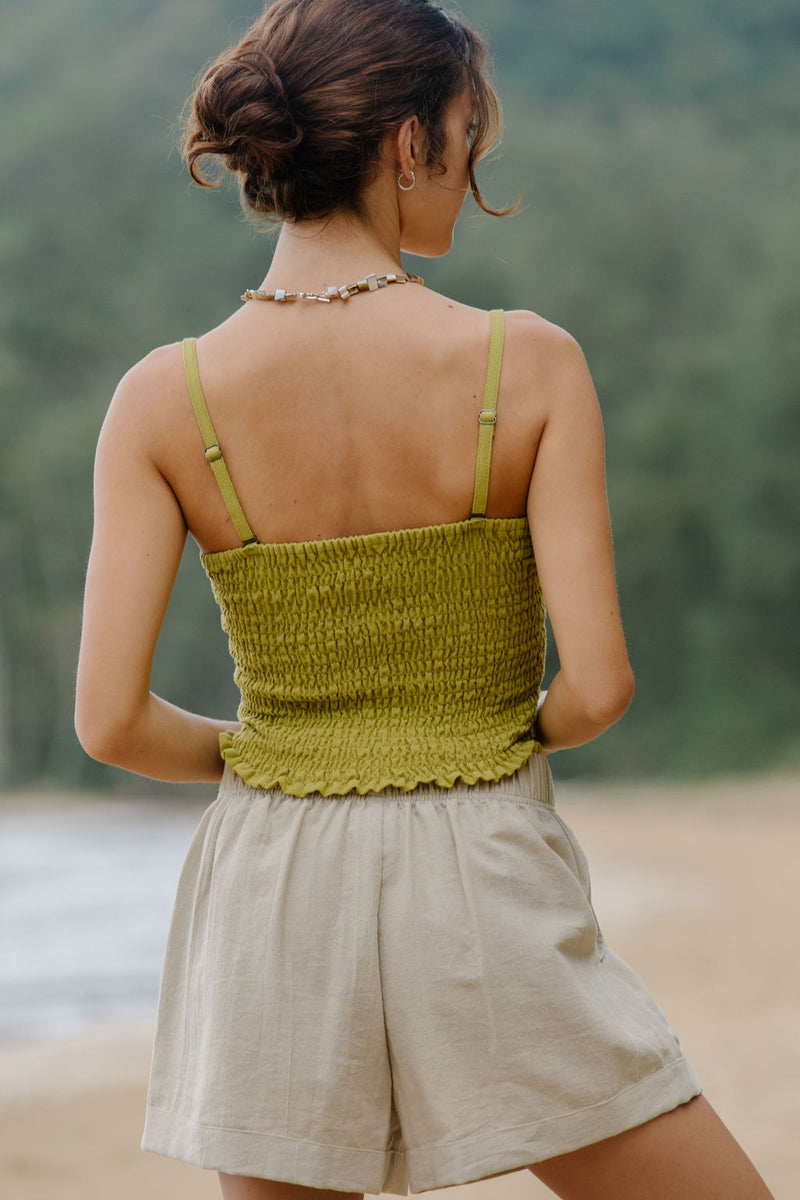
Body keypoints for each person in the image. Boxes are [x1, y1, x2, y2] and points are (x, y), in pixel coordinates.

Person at [74, 2, 774, 1197]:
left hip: (272, 878)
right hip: (481, 866)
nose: (471, 169)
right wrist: (473, 735)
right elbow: (597, 687)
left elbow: (111, 723)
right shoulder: (526, 362)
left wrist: (292, 753)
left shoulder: (161, 398)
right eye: (465, 136)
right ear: (407, 145)